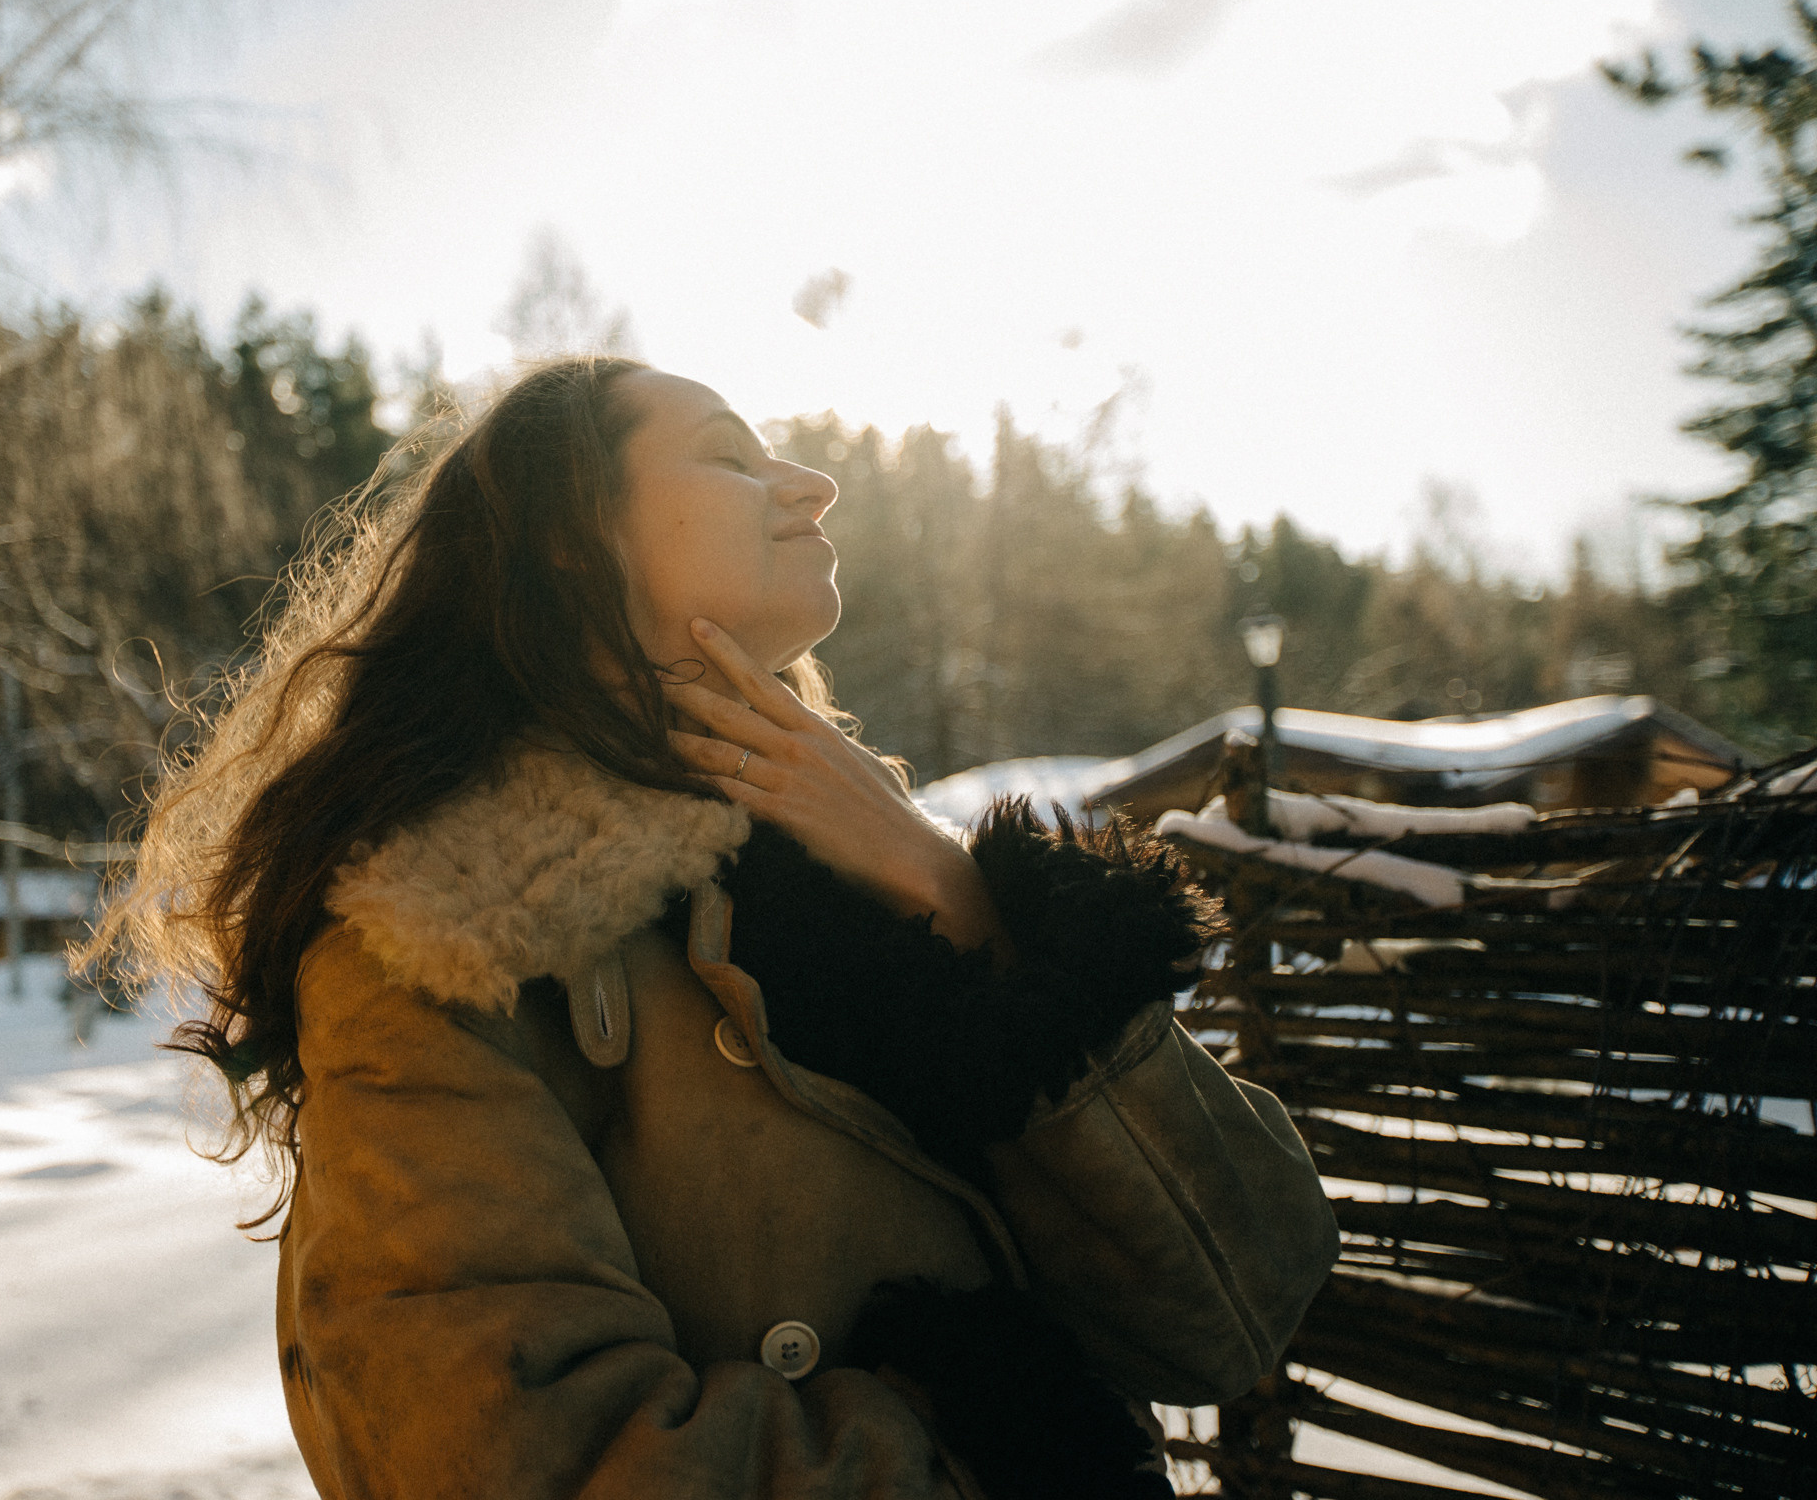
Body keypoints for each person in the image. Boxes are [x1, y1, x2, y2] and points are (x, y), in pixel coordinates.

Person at [92, 358, 1339, 1499]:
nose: (814, 482)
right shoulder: (443, 940)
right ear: (572, 538)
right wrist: (999, 1449)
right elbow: (508, 1456)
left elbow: (1239, 1305)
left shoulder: (871, 872)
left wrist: (955, 890)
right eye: (735, 455)